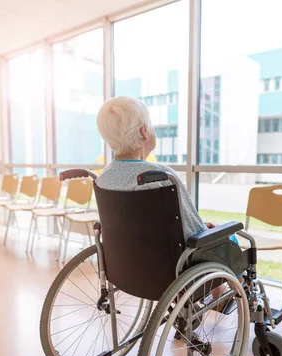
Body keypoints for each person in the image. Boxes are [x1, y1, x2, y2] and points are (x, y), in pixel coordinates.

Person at [95, 96, 240, 309]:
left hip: (129, 267)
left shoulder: (103, 178)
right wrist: (204, 227)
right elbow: (193, 229)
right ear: (144, 131)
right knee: (230, 239)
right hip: (174, 270)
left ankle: (217, 294)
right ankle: (235, 296)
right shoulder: (160, 177)